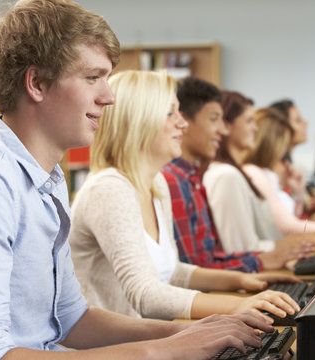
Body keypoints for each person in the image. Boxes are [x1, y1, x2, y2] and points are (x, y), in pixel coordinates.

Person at [0, 1, 274, 359]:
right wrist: (159, 351)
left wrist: (186, 331)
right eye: (91, 77)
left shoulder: (46, 179)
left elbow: (73, 319)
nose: (109, 96)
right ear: (36, 83)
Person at [69, 70, 302, 323]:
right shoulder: (109, 189)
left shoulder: (156, 184)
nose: (182, 123)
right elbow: (145, 294)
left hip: (145, 341)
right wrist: (237, 305)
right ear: (138, 120)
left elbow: (172, 272)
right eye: (170, 113)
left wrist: (242, 279)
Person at [161, 77, 313, 272]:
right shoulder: (198, 177)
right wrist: (264, 260)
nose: (222, 129)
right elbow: (193, 270)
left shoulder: (193, 177)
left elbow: (207, 260)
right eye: (215, 119)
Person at [203, 90, 315, 253]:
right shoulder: (236, 174)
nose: (255, 128)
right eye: (249, 121)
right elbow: (278, 231)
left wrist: (299, 196)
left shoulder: (243, 173)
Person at [242, 107, 315, 237]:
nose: (306, 123)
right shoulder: (257, 173)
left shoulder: (269, 174)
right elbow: (290, 227)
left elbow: (291, 221)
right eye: (284, 143)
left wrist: (299, 195)